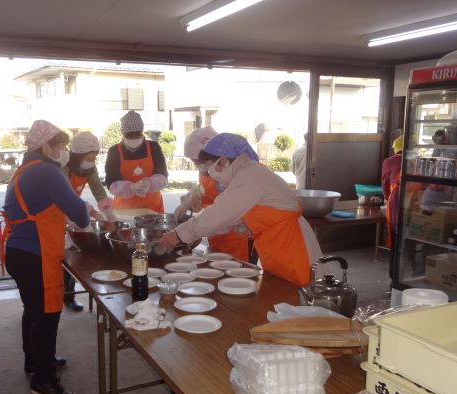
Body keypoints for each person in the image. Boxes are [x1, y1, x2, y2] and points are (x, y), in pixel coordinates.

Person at [0, 120, 90, 394]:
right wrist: (85, 210)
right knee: (47, 314)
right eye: (59, 146)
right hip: (34, 253)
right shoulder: (47, 172)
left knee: (33, 310)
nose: (63, 151)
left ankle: (37, 360)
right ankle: (44, 379)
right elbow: (80, 215)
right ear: (44, 146)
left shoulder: (25, 169)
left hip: (18, 252)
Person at [158, 133, 324, 287]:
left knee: (297, 295)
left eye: (209, 166)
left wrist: (178, 234)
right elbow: (233, 217)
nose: (209, 172)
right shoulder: (245, 173)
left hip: (293, 246)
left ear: (223, 161)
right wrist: (242, 225)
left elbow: (219, 213)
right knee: (281, 292)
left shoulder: (249, 176)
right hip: (277, 245)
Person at [173, 128, 258, 262]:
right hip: (215, 234)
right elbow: (203, 188)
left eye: (199, 161)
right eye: (194, 161)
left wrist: (190, 231)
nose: (199, 166)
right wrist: (190, 200)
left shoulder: (238, 173)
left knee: (240, 276)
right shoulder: (207, 169)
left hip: (238, 238)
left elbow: (228, 210)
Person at [62, 131, 116, 311]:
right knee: (62, 257)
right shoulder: (63, 169)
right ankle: (65, 296)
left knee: (74, 254)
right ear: (77, 155)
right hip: (59, 210)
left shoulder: (89, 168)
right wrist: (92, 213)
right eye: (90, 156)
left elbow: (99, 191)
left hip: (73, 210)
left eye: (94, 156)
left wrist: (109, 213)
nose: (92, 159)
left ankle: (69, 294)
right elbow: (67, 197)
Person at [105, 111, 168, 213]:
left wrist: (149, 183)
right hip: (125, 211)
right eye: (130, 135)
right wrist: (131, 188)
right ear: (123, 133)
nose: (134, 138)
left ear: (142, 132)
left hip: (153, 209)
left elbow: (162, 175)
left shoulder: (153, 147)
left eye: (137, 134)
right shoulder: (114, 151)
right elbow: (111, 183)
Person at [381, 135, 403, 250]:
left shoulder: (389, 161)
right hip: (414, 198)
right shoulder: (415, 160)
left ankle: (395, 260)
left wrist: (386, 199)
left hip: (395, 198)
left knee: (394, 228)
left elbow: (385, 183)